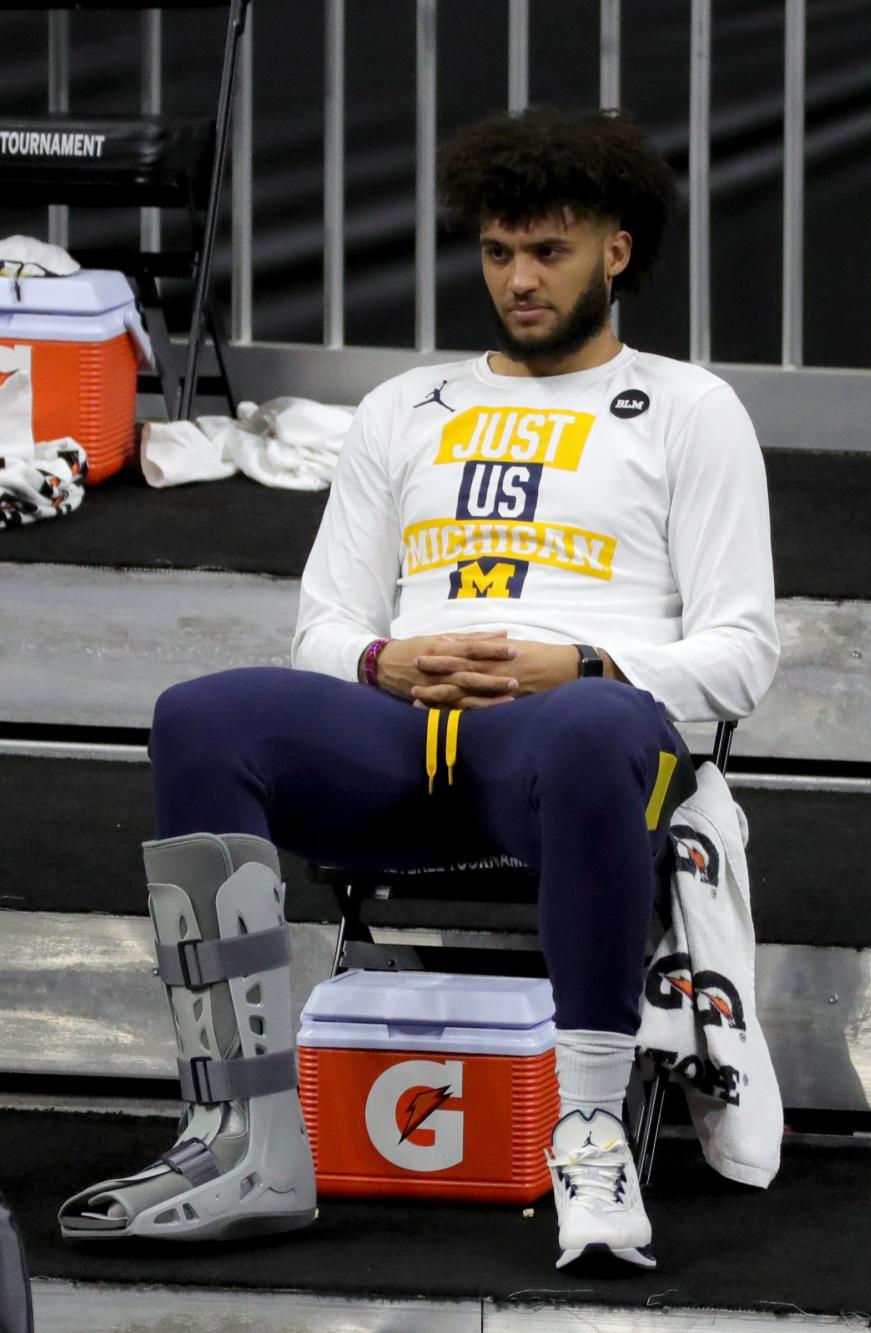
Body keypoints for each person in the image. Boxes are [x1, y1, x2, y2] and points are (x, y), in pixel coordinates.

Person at [59, 107, 778, 1271]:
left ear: (617, 251)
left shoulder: (690, 410)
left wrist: (584, 663)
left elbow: (745, 653)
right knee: (204, 713)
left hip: (568, 743)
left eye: (550, 251)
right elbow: (325, 625)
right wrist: (381, 661)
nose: (520, 280)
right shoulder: (407, 408)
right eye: (500, 252)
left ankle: (587, 1128)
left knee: (597, 724)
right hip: (400, 734)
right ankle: (243, 1132)